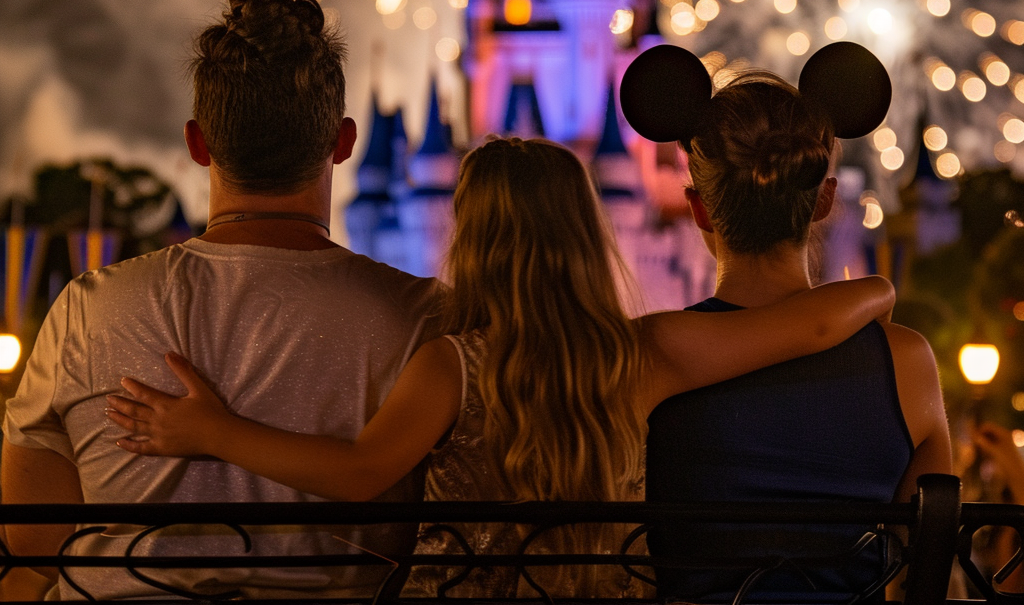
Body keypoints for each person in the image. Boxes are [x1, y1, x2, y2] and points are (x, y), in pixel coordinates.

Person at [105, 135, 894, 599]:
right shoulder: (645, 354)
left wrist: (212, 429)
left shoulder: (453, 366)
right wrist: (883, 285)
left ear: (471, 236)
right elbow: (823, 317)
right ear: (586, 230)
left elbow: (355, 471)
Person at [1, 0, 439, 600]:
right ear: (342, 143)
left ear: (198, 143)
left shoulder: (89, 309)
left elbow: (34, 542)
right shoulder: (423, 316)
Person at [619, 44, 951, 603]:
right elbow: (931, 552)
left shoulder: (650, 352)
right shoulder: (907, 361)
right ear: (825, 200)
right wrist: (876, 291)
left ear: (700, 208)